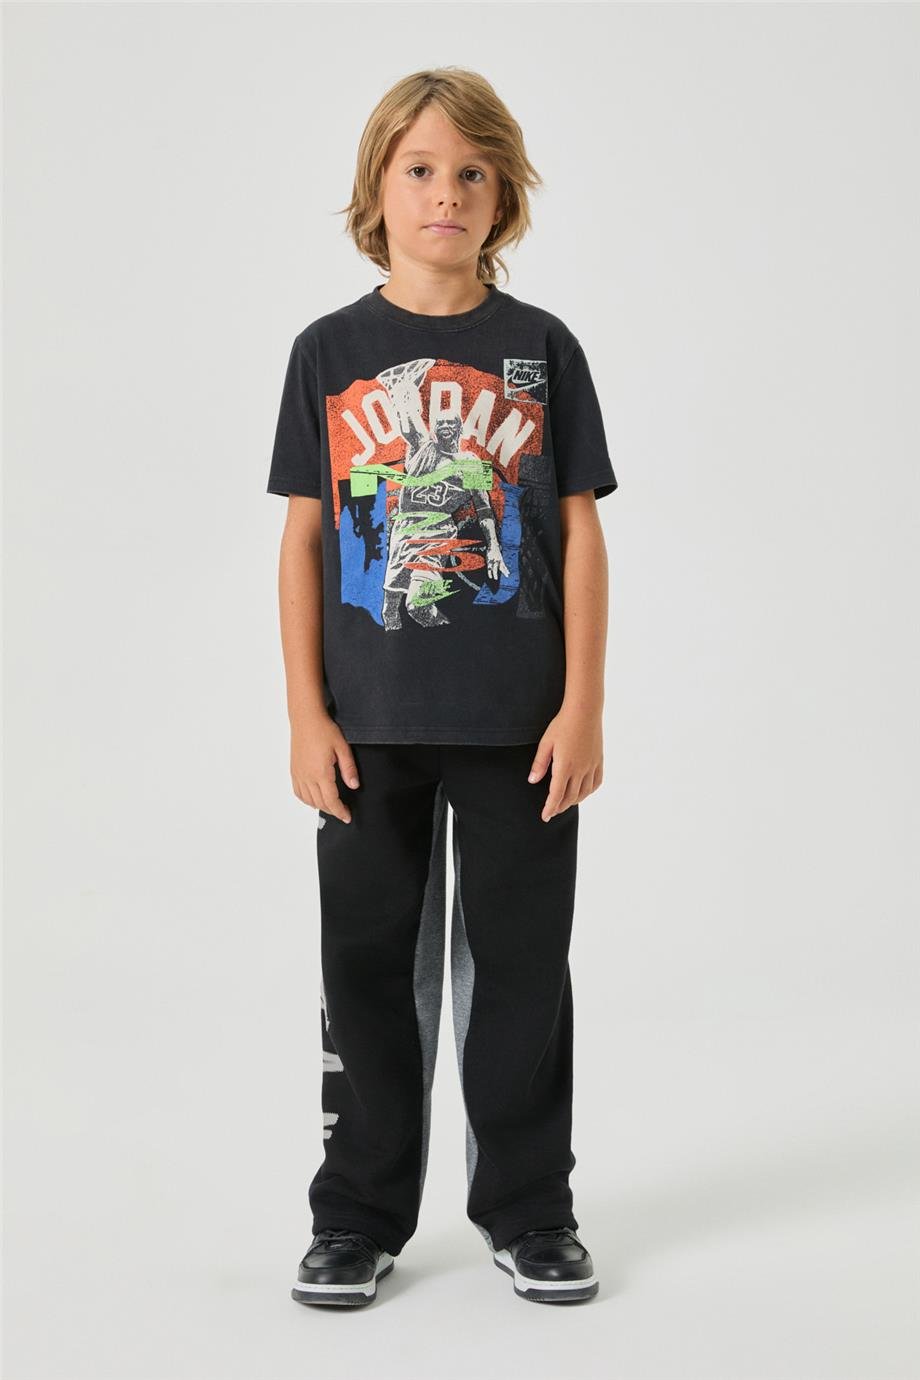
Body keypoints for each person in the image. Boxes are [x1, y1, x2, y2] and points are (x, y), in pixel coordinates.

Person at [266, 67, 617, 1308]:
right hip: (365, 725)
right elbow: (305, 541)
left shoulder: (540, 350)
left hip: (521, 725)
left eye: (472, 172)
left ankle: (530, 1210)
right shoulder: (328, 352)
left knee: (519, 972)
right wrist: (305, 713)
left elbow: (579, 534)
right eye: (419, 169)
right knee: (368, 975)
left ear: (503, 195)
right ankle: (355, 1216)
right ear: (376, 188)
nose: (445, 194)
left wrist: (581, 703)